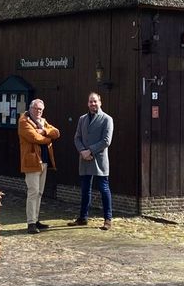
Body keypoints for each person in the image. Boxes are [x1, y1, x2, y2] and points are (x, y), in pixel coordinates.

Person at [69, 92, 114, 230]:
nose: (92, 104)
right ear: (87, 103)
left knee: (104, 189)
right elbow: (77, 137)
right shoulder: (82, 119)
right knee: (85, 190)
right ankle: (83, 217)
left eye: (95, 101)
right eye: (90, 101)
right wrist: (82, 151)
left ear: (100, 102)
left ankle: (108, 219)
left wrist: (90, 151)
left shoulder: (107, 119)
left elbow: (106, 140)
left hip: (98, 159)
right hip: (84, 159)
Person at [18, 98, 60, 234]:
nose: (38, 111)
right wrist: (48, 138)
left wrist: (45, 131)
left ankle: (36, 220)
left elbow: (57, 132)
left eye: (40, 109)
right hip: (32, 162)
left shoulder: (43, 121)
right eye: (36, 109)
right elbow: (34, 138)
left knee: (40, 193)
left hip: (44, 161)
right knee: (33, 191)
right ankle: (30, 223)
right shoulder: (23, 121)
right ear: (30, 108)